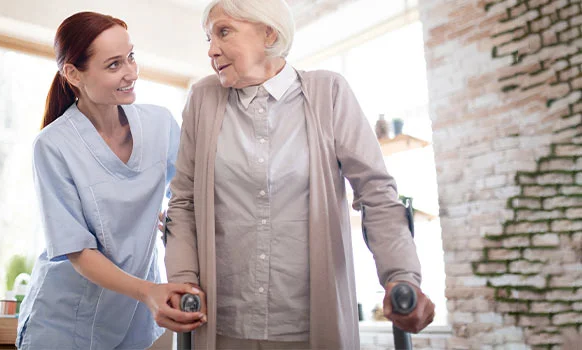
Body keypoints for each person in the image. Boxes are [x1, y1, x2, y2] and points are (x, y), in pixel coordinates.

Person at [164, 0, 436, 348]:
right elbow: (183, 201)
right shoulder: (203, 99)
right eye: (208, 39)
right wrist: (184, 281)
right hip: (223, 322)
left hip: (308, 324)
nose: (212, 50)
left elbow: (376, 193)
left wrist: (401, 276)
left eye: (223, 32)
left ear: (269, 33)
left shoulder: (329, 93)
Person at [16, 11, 204, 350]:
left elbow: (191, 197)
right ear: (73, 74)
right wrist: (148, 291)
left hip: (132, 318)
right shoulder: (53, 145)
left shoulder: (160, 125)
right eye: (114, 65)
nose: (131, 72)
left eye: (131, 57)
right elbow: (77, 250)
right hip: (63, 323)